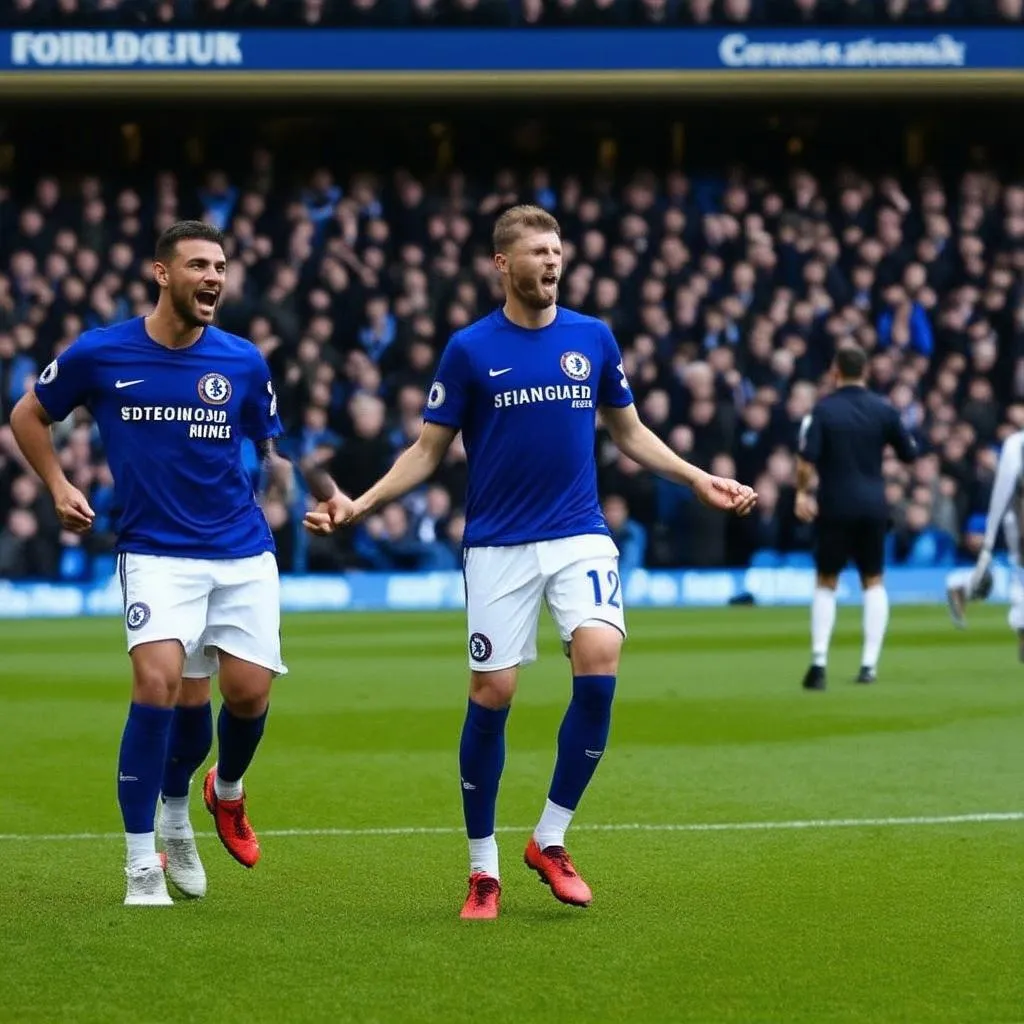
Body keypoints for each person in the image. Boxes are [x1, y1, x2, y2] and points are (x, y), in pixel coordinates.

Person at [303, 204, 757, 920]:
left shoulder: (594, 338)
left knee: (600, 656)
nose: (551, 262)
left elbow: (630, 432)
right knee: (494, 693)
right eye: (537, 252)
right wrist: (358, 503)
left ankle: (550, 839)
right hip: (498, 545)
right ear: (502, 265)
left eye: (557, 251)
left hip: (579, 531)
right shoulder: (469, 349)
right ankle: (482, 869)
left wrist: (698, 477)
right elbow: (428, 450)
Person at [10, 220, 339, 907]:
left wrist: (317, 495)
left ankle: (216, 794)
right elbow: (26, 416)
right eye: (198, 265)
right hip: (155, 551)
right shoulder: (101, 352)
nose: (214, 277)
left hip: (241, 550)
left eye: (220, 265)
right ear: (163, 274)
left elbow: (274, 445)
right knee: (158, 684)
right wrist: (58, 485)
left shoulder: (244, 360)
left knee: (248, 694)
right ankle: (141, 865)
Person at [795, 341, 918, 690]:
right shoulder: (884, 409)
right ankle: (869, 664)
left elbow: (807, 460)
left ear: (836, 372)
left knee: (827, 581)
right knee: (874, 580)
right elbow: (909, 452)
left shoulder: (824, 410)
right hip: (874, 504)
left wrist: (803, 493)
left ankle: (818, 663)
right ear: (865, 371)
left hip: (834, 504)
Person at [946, 430, 1024, 653]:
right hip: (1015, 518)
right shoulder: (1016, 446)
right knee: (1020, 573)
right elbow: (1002, 491)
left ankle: (962, 585)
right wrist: (989, 539)